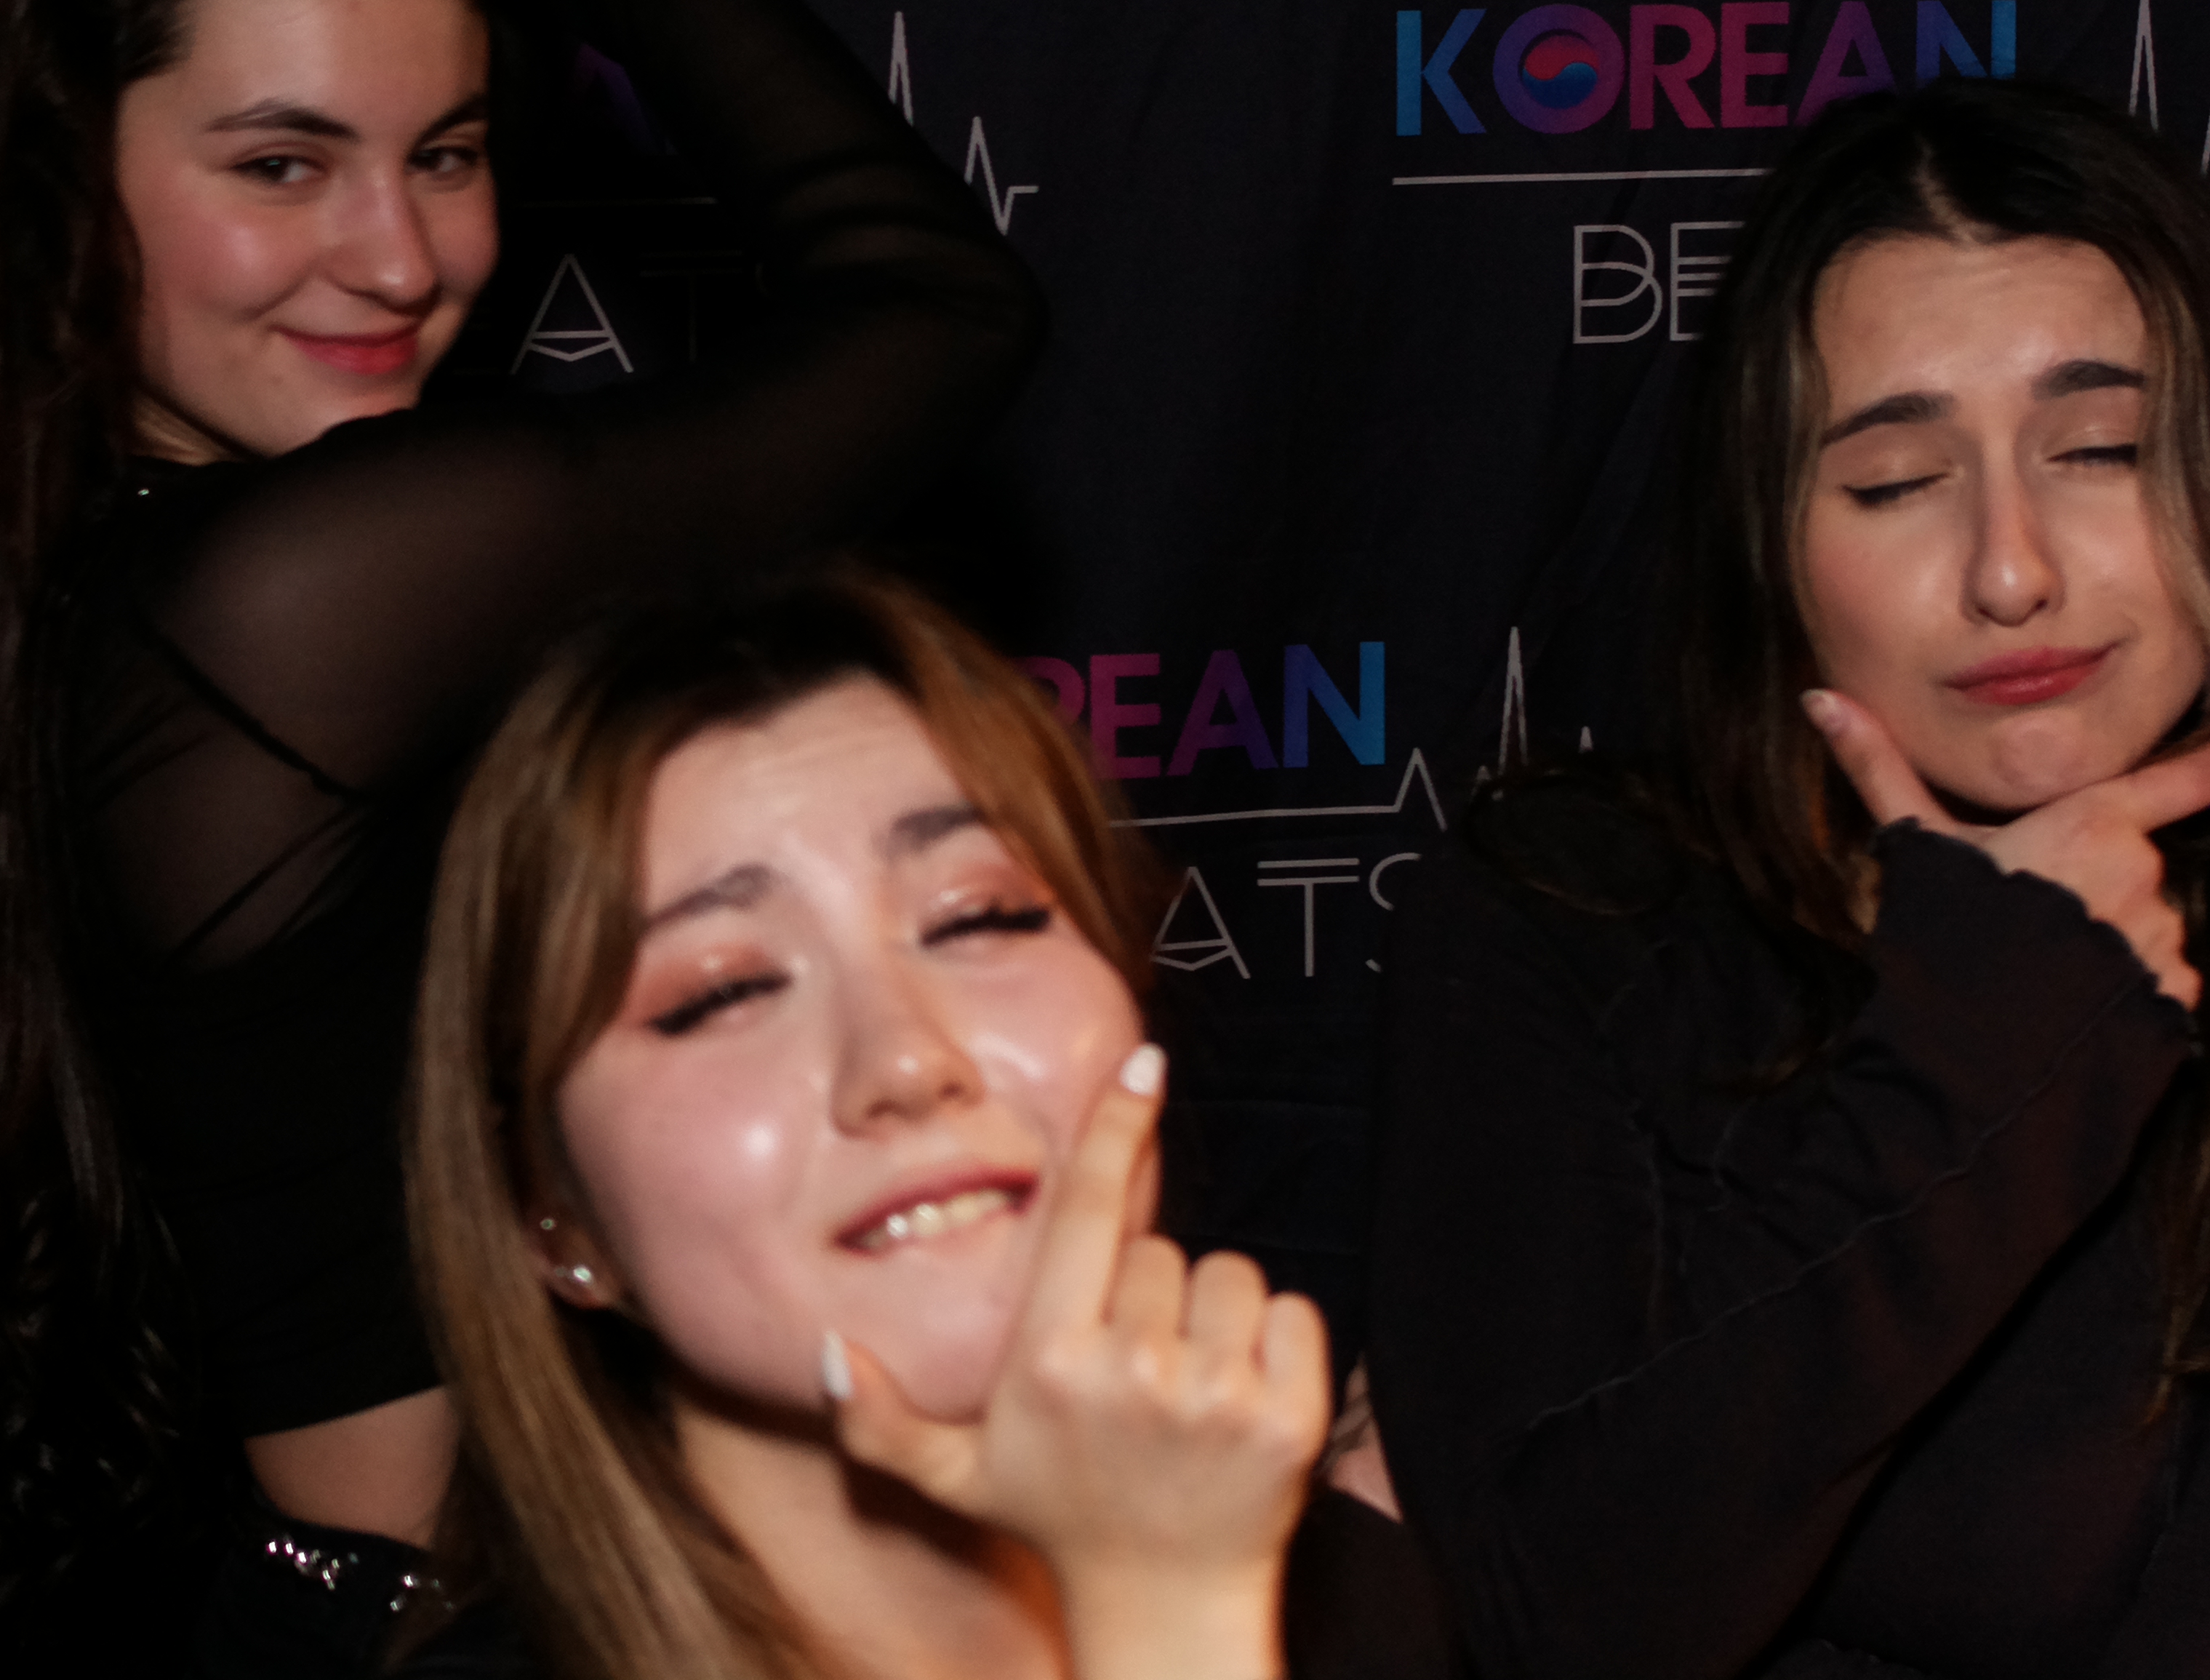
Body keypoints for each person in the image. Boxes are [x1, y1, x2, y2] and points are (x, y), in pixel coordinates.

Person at [0, 0, 1044, 1668]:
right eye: (282, 162)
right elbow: (937, 305)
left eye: (446, 153)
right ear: (53, 176)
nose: (396, 258)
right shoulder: (291, 595)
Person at [1363, 77, 2210, 1679]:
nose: (2011, 568)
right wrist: (1984, 1045)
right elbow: (1556, 1624)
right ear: (1773, 549)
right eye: (1896, 481)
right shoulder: (1582, 914)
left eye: (2104, 449)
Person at [401, 564, 1440, 1680]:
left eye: (976, 916)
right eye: (722, 991)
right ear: (551, 1210)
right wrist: (1169, 1616)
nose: (904, 1059)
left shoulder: (1366, 1616)